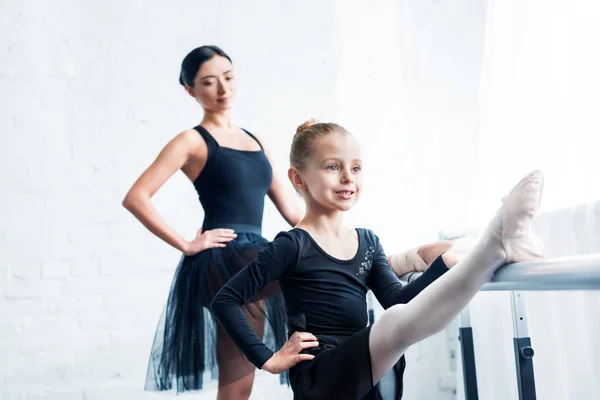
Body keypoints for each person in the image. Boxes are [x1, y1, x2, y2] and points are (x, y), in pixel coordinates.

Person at [210, 120, 545, 399]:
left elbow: (399, 301)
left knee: (402, 312)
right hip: (321, 373)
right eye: (332, 167)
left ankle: (485, 252)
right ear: (298, 179)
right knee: (390, 325)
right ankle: (492, 245)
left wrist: (441, 264)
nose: (348, 178)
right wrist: (268, 359)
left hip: (373, 360)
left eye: (355, 168)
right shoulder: (291, 245)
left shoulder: (367, 242)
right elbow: (225, 299)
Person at [122, 46, 303, 399]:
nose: (223, 88)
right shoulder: (191, 140)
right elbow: (136, 197)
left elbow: (294, 213)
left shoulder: (257, 140)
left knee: (239, 385)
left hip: (254, 254)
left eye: (228, 77)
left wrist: (337, 226)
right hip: (224, 259)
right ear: (191, 90)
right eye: (209, 82)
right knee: (306, 273)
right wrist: (187, 244)